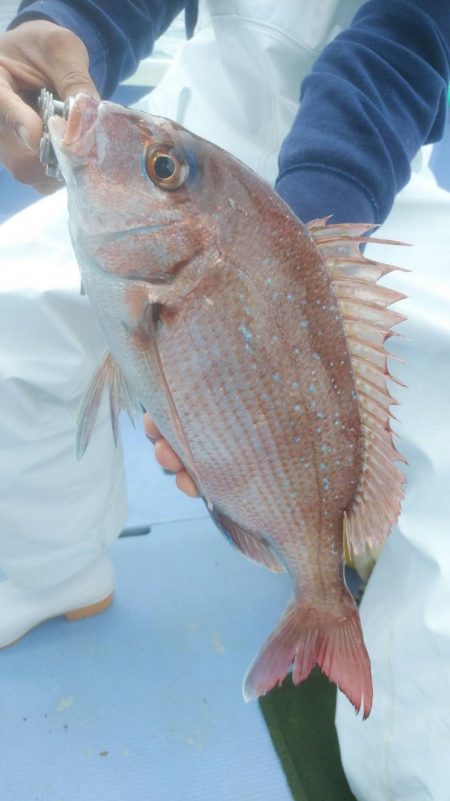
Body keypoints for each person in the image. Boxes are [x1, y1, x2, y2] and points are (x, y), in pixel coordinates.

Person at [0, 2, 449, 798]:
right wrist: (72, 28)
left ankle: (334, 601)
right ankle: (52, 573)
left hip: (364, 176)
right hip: (193, 143)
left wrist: (291, 273)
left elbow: (409, 39)